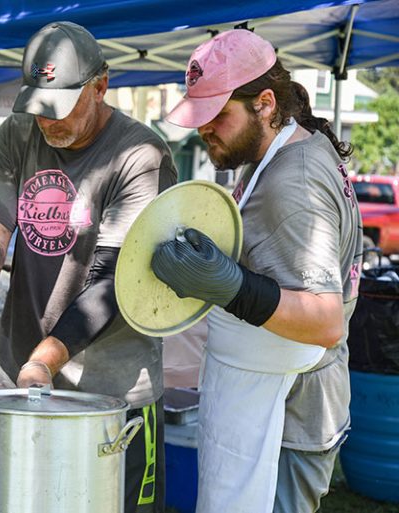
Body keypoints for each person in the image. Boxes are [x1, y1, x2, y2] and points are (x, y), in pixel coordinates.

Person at [0, 21, 177, 513]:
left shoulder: (140, 155)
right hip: (18, 386)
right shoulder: (17, 134)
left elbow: (112, 282)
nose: (47, 122)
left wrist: (44, 360)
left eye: (61, 108)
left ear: (100, 86)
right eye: (38, 107)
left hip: (112, 397)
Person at [151, 29, 362, 513]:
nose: (204, 130)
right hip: (275, 400)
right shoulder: (285, 150)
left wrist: (231, 287)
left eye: (217, 115)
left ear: (265, 103)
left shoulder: (294, 181)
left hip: (287, 417)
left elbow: (326, 321)